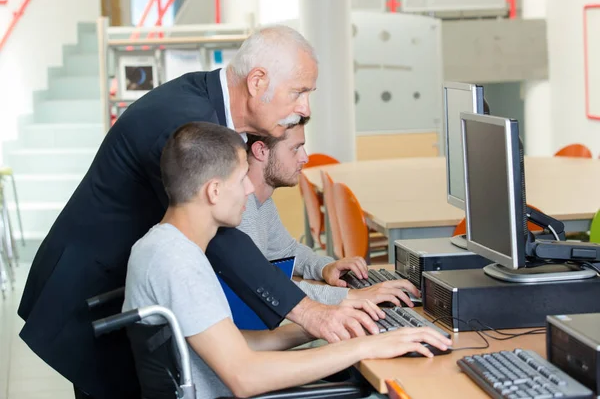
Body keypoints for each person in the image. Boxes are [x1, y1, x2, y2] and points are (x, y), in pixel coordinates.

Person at [17, 26, 379, 399]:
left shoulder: (211, 111)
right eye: (299, 92)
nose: (304, 109)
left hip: (131, 287)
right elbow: (222, 239)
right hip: (87, 285)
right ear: (257, 82)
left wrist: (321, 315)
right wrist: (311, 312)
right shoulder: (182, 122)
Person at [123, 121, 452, 399]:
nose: (250, 191)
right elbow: (244, 375)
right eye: (241, 180)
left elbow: (233, 344)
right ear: (213, 191)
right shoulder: (176, 261)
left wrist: (327, 323)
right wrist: (364, 348)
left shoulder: (164, 247)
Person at [240, 121, 422, 306]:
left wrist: (325, 267)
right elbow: (262, 285)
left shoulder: (263, 203)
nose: (305, 158)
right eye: (295, 149)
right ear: (261, 151)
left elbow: (286, 252)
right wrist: (349, 296)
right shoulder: (241, 209)